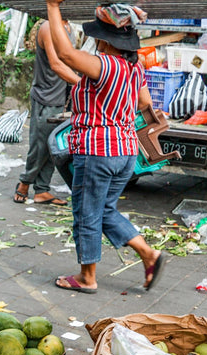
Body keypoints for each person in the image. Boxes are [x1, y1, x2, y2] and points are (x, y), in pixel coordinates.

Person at [47, 1, 163, 293]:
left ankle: (88, 277)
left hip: (98, 150)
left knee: (86, 213)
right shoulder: (133, 69)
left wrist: (52, 6)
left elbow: (65, 54)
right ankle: (149, 254)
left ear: (104, 39)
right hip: (125, 151)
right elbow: (145, 103)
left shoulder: (105, 64)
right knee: (104, 210)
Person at [13, 19, 79, 206]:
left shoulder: (68, 27)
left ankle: (42, 190)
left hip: (62, 95)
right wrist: (83, 84)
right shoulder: (48, 27)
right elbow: (57, 64)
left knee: (55, 146)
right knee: (40, 144)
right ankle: (24, 183)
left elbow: (71, 59)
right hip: (46, 96)